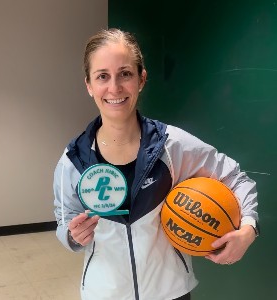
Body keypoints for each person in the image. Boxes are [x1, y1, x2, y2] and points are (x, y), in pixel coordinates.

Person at [53, 28, 259, 300]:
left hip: (170, 292)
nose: (114, 88)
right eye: (102, 76)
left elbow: (237, 178)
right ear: (89, 86)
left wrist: (248, 229)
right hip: (103, 293)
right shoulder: (74, 159)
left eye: (125, 73)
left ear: (141, 79)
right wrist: (72, 237)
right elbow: (63, 219)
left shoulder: (172, 145)